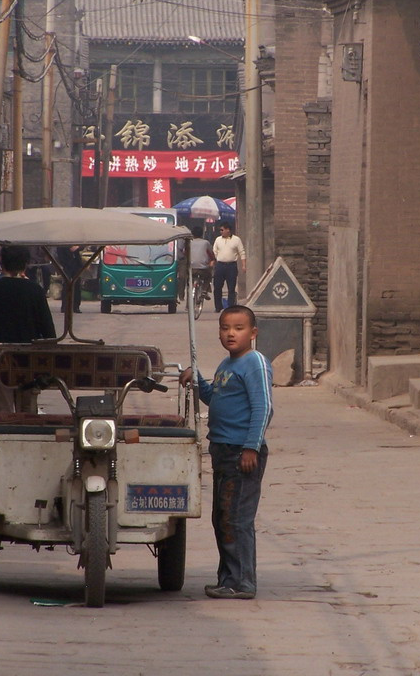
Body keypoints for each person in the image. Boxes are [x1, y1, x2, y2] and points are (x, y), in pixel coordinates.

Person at [180, 305, 273, 600]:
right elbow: (214, 398)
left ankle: (243, 582)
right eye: (225, 328)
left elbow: (263, 407)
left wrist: (251, 448)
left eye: (239, 328)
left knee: (236, 519)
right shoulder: (226, 365)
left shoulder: (254, 363)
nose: (231, 333)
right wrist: (197, 380)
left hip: (241, 453)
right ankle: (228, 578)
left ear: (253, 333)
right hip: (221, 452)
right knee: (222, 518)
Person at [0, 245, 57, 411]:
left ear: (1, 262)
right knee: (27, 414)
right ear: (26, 264)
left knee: (0, 413)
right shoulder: (35, 291)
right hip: (28, 363)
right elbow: (49, 332)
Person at [212, 221, 245, 312]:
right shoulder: (218, 240)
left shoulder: (236, 240)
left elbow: (242, 252)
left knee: (231, 287)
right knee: (217, 287)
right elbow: (214, 251)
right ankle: (218, 306)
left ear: (228, 230)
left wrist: (243, 265)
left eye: (222, 230)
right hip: (220, 265)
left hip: (231, 266)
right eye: (220, 230)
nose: (221, 232)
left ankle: (231, 307)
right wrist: (216, 260)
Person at [178, 225, 215, 302]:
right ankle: (204, 290)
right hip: (203, 270)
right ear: (202, 234)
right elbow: (211, 255)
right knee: (209, 276)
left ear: (192, 234)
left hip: (191, 270)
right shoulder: (206, 243)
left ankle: (188, 306)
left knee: (190, 285)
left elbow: (185, 253)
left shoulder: (189, 243)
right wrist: (212, 260)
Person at [58, 245, 84, 314]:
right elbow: (60, 251)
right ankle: (64, 306)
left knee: (77, 285)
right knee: (66, 285)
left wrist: (77, 247)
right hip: (66, 264)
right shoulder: (62, 241)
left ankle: (76, 306)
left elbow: (83, 245)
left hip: (76, 264)